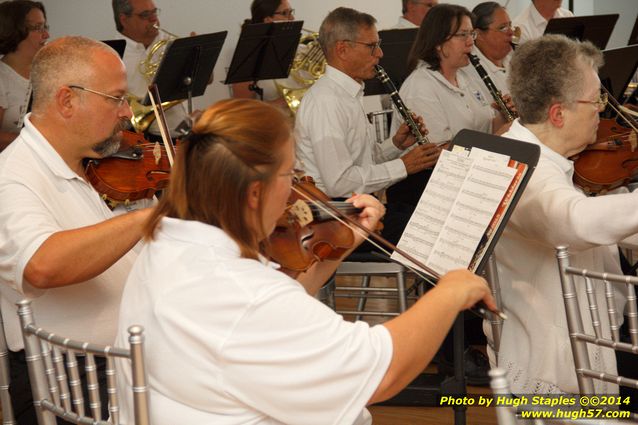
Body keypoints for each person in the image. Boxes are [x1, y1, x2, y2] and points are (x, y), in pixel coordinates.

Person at [114, 97, 495, 424]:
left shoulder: (168, 243)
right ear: (254, 192)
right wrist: (449, 292)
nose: (297, 188)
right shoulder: (243, 294)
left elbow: (277, 312)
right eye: (290, 173)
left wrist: (341, 247)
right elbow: (382, 372)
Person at [0, 36, 151, 424]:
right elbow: (42, 265)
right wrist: (147, 218)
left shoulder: (73, 165)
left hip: (118, 367)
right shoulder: (12, 177)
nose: (125, 113)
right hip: (77, 382)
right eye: (116, 98)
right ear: (67, 100)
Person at [488, 34, 638, 395]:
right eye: (596, 99)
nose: (603, 109)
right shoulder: (522, 171)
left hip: (595, 334)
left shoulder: (543, 155)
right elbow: (574, 221)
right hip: (560, 372)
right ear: (558, 113)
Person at [295, 7, 440, 245]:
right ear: (342, 49)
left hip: (352, 210)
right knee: (430, 231)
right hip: (332, 221)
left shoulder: (347, 94)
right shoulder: (327, 102)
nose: (380, 53)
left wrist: (395, 146)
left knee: (430, 219)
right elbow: (340, 182)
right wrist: (404, 165)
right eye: (371, 46)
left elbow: (361, 163)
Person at [386, 4, 509, 209]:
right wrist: (493, 145)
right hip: (428, 190)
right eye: (462, 35)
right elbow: (438, 152)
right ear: (438, 42)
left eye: (471, 34)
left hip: (466, 180)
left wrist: (504, 119)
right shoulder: (421, 86)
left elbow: (484, 128)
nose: (471, 42)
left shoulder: (464, 77)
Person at [112, 0, 191, 137]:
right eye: (145, 15)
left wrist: (196, 56)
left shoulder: (171, 42)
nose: (154, 18)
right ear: (124, 19)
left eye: (154, 12)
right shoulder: (114, 55)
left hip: (184, 130)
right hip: (145, 138)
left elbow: (205, 79)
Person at [231, 0, 302, 110]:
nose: (292, 18)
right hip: (274, 123)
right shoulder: (249, 58)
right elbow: (242, 110)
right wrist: (287, 100)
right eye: (285, 13)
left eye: (291, 12)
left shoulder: (301, 49)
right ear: (268, 20)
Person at [0, 0, 49, 150]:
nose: (46, 34)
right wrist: (41, 142)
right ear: (14, 32)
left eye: (45, 27)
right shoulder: (2, 77)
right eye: (38, 28)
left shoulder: (47, 72)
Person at [466, 2, 514, 102]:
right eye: (503, 28)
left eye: (510, 25)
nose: (511, 32)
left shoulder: (517, 58)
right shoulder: (468, 70)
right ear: (478, 34)